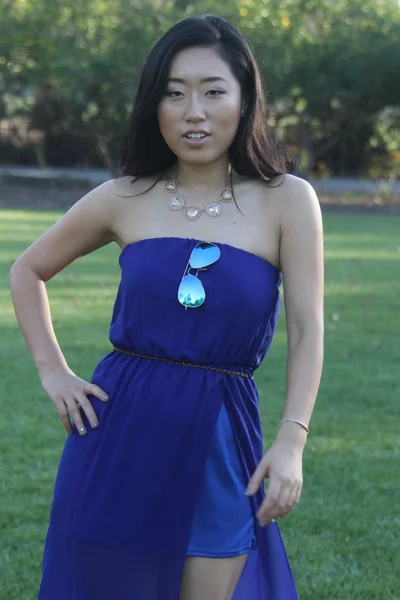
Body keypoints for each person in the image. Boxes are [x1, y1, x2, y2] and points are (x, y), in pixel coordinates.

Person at [9, 14, 324, 600]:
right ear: (154, 106)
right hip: (117, 433)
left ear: (245, 99)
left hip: (220, 438)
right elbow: (27, 269)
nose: (193, 111)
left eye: (212, 91)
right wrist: (53, 372)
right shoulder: (125, 196)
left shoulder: (288, 201)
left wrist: (292, 441)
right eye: (173, 94)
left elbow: (307, 331)